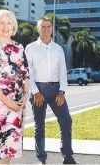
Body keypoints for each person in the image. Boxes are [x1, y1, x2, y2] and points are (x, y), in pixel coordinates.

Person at [0, 10, 30, 164]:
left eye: (9, 22)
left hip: (16, 106)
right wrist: (7, 101)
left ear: (13, 26)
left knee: (8, 152)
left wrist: (25, 95)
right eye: (1, 22)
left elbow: (25, 74)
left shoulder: (19, 47)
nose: (5, 26)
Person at [25, 17, 75, 164]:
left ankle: (67, 155)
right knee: (39, 125)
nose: (46, 29)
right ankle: (41, 158)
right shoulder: (31, 48)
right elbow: (28, 72)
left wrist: (62, 91)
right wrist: (35, 92)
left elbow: (63, 72)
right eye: (42, 27)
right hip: (38, 90)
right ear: (38, 29)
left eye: (48, 27)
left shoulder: (58, 49)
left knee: (66, 121)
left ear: (52, 29)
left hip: (55, 90)